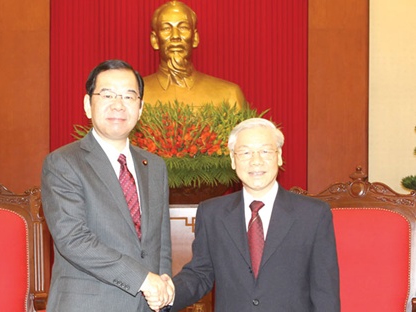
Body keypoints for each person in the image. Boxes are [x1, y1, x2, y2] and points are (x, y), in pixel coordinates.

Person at [41, 59, 174, 312]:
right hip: (88, 304)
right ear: (87, 105)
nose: (118, 105)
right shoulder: (63, 163)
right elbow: (73, 239)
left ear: (141, 108)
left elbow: (161, 241)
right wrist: (143, 279)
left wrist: (163, 283)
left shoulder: (155, 166)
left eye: (128, 96)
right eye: (107, 94)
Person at [170, 118, 340, 311]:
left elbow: (325, 293)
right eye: (245, 152)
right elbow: (200, 274)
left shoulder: (313, 215)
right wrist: (168, 293)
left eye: (265, 151)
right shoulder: (212, 214)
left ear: (279, 156)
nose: (256, 161)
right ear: (233, 160)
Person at [143, 0, 246, 109]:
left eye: (183, 27)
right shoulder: (135, 96)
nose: (175, 36)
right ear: (154, 40)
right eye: (166, 28)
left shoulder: (229, 95)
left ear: (195, 38)